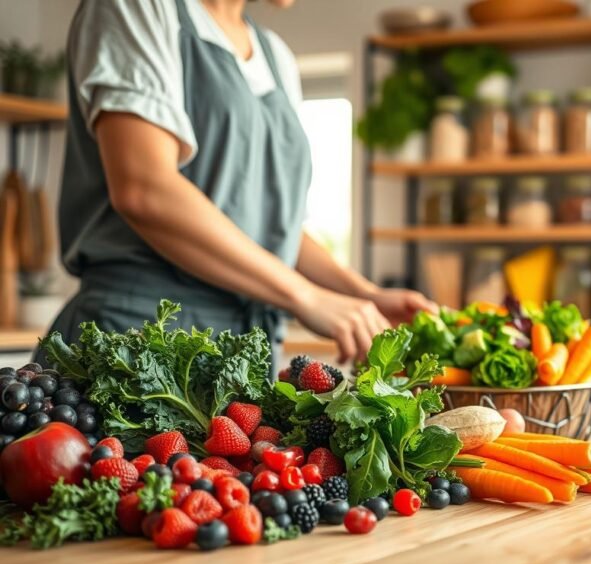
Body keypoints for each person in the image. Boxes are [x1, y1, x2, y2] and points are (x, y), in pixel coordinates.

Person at [36, 0, 434, 367]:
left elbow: (276, 229)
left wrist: (362, 295)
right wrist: (306, 296)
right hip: (136, 344)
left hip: (242, 357)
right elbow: (145, 189)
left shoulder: (276, 56)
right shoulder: (138, 8)